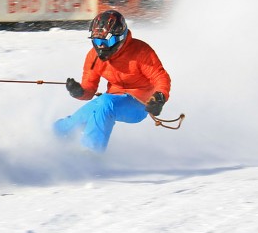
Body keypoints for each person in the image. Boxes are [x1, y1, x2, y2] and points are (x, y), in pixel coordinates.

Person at [53, 10, 171, 153]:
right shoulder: (94, 57)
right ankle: (52, 137)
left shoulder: (140, 51)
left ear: (120, 37)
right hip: (111, 98)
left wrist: (159, 97)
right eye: (97, 41)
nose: (101, 46)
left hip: (139, 104)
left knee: (105, 103)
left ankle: (90, 153)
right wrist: (79, 91)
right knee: (72, 123)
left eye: (107, 41)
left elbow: (160, 77)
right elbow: (89, 89)